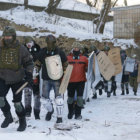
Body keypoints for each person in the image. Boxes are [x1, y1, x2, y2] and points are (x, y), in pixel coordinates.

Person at [0, 26, 33, 131]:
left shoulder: (21, 48)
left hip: (17, 78)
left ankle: (22, 120)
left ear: (13, 36)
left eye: (9, 36)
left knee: (17, 103)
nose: (7, 38)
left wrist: (29, 74)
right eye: (5, 36)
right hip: (2, 77)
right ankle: (8, 117)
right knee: (0, 99)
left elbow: (29, 62)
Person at [36, 34, 67, 123]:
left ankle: (59, 117)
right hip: (46, 78)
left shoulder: (60, 52)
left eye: (52, 42)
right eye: (48, 43)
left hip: (57, 79)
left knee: (59, 99)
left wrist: (65, 73)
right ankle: (50, 111)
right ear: (46, 43)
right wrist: (35, 70)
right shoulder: (43, 52)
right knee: (44, 99)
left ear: (54, 42)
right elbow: (38, 63)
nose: (50, 44)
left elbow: (65, 64)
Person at [67, 42, 88, 120]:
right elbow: (63, 68)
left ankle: (78, 114)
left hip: (81, 81)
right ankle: (70, 112)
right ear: (72, 49)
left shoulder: (84, 58)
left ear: (80, 49)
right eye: (74, 48)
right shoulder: (68, 58)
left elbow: (88, 68)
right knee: (70, 98)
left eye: (77, 48)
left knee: (79, 98)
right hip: (70, 81)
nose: (76, 49)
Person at [24, 36, 41, 119]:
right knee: (27, 93)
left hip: (37, 75)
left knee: (37, 95)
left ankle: (37, 112)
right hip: (27, 75)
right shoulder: (23, 50)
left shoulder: (38, 50)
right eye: (27, 43)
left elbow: (42, 62)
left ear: (33, 42)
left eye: (30, 42)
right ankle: (27, 111)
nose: (28, 44)